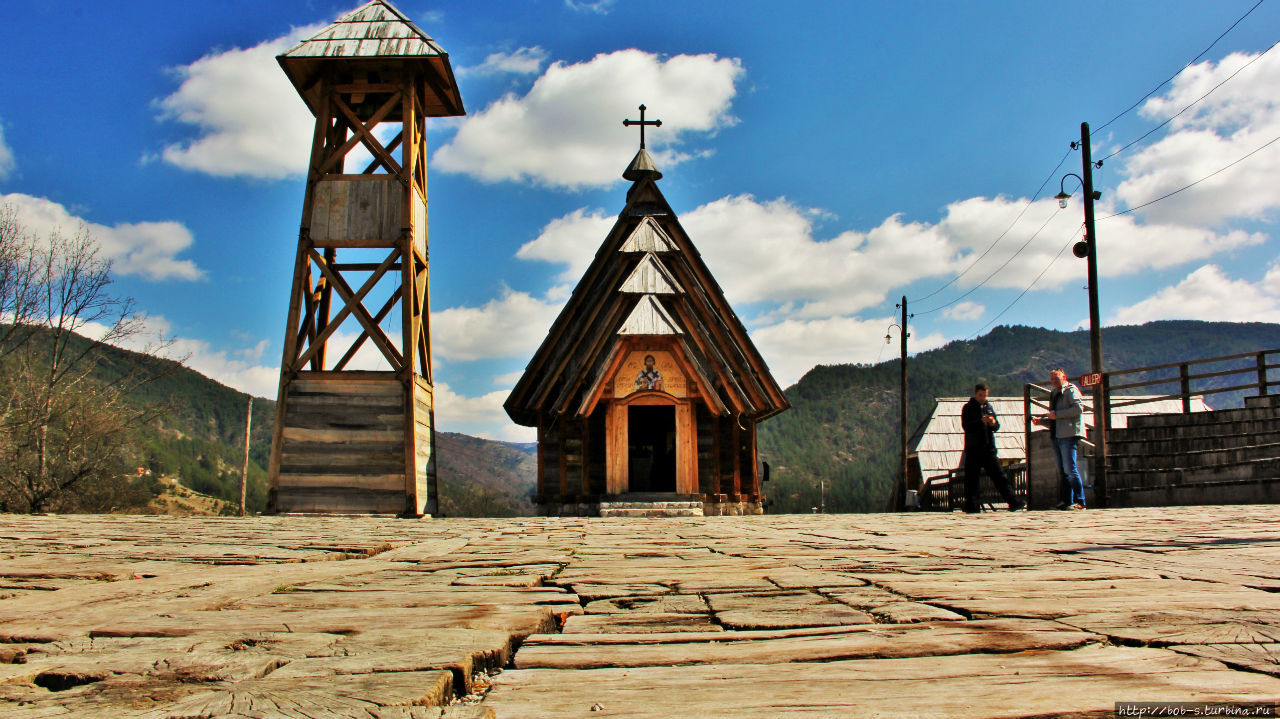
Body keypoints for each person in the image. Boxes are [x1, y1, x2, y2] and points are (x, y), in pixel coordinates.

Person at [961, 383, 1026, 513]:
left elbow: (997, 427)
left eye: (985, 395)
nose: (982, 398)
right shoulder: (968, 408)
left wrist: (993, 422)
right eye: (980, 395)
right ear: (975, 394)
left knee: (999, 476)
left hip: (988, 449)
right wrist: (981, 421)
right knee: (971, 479)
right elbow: (966, 426)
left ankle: (1013, 501)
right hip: (973, 449)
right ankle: (972, 506)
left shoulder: (988, 407)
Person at [1043, 368, 1086, 510]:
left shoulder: (1071, 390)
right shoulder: (1054, 393)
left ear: (1064, 377)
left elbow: (1079, 409)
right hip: (1057, 434)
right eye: (1052, 379)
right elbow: (1055, 416)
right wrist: (1043, 421)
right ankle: (1067, 501)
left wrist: (1057, 415)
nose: (1054, 381)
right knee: (1062, 470)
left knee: (1070, 469)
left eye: (1057, 378)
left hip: (1069, 434)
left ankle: (1081, 501)